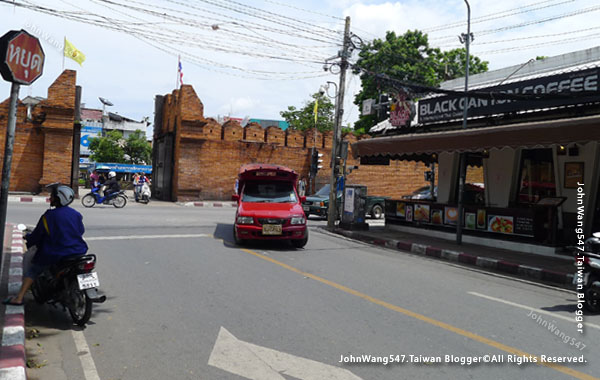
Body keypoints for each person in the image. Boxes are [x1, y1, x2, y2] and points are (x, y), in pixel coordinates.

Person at [3, 184, 88, 306]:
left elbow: (37, 236)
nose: (50, 198)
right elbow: (80, 231)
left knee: (33, 270)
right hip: (79, 251)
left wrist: (28, 238)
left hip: (56, 253)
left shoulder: (48, 216)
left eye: (52, 196)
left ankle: (19, 298)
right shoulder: (76, 214)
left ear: (58, 198)